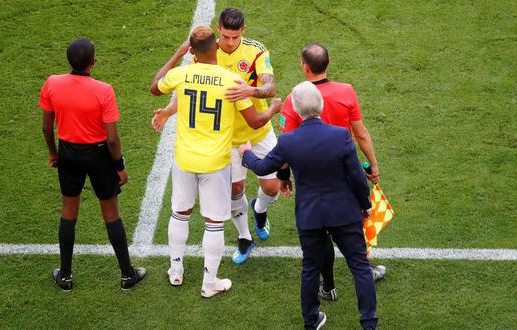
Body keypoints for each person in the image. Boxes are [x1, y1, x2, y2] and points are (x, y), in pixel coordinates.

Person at [149, 26, 281, 297]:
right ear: (216, 47)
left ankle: (176, 271)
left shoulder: (181, 75)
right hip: (216, 161)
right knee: (214, 223)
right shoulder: (232, 80)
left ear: (192, 51)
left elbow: (155, 86)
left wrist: (177, 53)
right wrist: (273, 108)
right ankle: (209, 284)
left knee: (179, 213)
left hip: (185, 159)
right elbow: (255, 121)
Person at [240, 81, 378, 329]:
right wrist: (365, 204)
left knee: (310, 269)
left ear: (295, 107)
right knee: (360, 267)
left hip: (310, 215)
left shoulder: (288, 141)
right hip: (344, 212)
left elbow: (262, 168)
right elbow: (357, 176)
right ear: (321, 105)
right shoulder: (340, 136)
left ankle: (311, 321)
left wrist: (246, 153)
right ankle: (369, 323)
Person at [279, 43, 386, 301]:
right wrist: (372, 164)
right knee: (351, 224)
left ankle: (328, 287)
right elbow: (360, 132)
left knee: (320, 231)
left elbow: (286, 143)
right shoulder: (346, 91)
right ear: (328, 63)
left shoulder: (295, 97)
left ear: (305, 67)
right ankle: (364, 270)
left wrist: (284, 177)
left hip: (311, 176)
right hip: (346, 173)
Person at [40, 38, 146, 291]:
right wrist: (119, 166)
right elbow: (111, 138)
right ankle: (127, 275)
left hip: (67, 152)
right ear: (93, 62)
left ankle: (65, 275)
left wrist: (54, 154)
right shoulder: (103, 90)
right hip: (98, 155)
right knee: (110, 213)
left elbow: (46, 127)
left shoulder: (52, 83)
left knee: (68, 212)